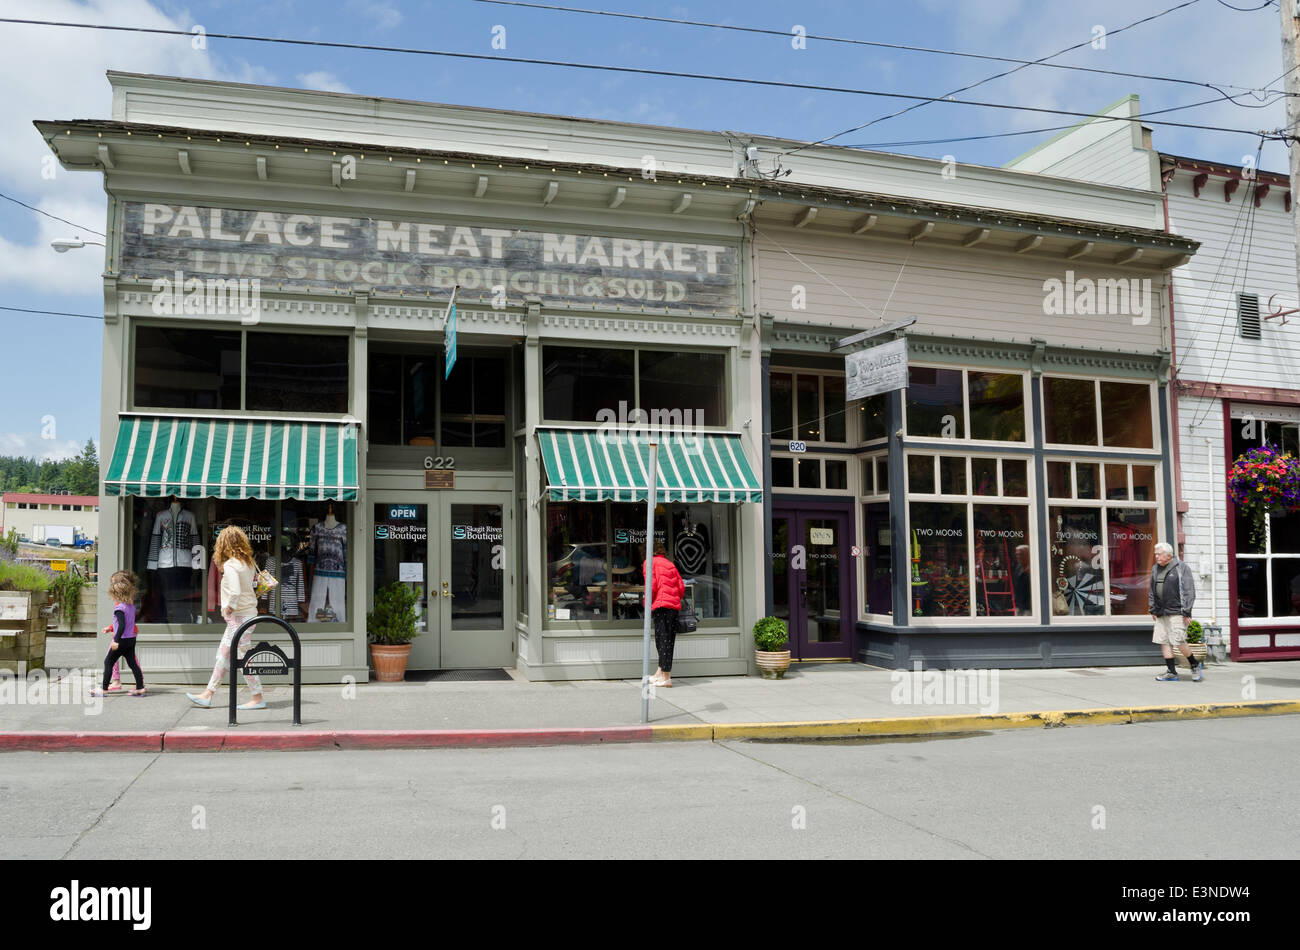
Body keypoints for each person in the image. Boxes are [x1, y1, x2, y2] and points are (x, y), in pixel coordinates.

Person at [187, 526, 266, 710]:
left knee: (243, 656)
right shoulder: (248, 562)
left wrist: (227, 608)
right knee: (224, 654)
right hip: (248, 614)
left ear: (223, 544)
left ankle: (258, 697)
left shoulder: (231, 565)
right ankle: (208, 693)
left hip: (239, 617)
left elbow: (236, 592)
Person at [1150, 541, 1202, 682]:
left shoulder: (1182, 568)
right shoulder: (1155, 569)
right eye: (1155, 554)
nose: (1156, 556)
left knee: (1178, 640)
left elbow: (1189, 591)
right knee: (1164, 641)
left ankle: (1194, 664)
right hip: (1161, 612)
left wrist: (1187, 612)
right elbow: (1152, 590)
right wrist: (1152, 609)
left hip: (1177, 612)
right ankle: (1171, 672)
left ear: (1168, 555)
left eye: (1159, 554)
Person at [90, 571, 146, 697]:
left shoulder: (119, 608)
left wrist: (116, 640)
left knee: (108, 662)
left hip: (121, 640)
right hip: (131, 639)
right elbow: (128, 623)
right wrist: (110, 628)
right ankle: (140, 687)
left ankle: (104, 689)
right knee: (133, 664)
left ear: (116, 594)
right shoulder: (131, 606)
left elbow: (121, 626)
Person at [645, 542, 685, 688]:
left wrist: (645, 602)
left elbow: (651, 586)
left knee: (662, 641)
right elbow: (681, 587)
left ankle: (666, 677)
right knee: (668, 640)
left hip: (661, 605)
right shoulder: (669, 564)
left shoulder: (649, 563)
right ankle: (660, 672)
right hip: (673, 607)